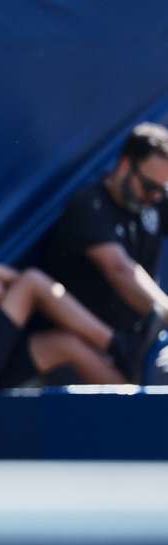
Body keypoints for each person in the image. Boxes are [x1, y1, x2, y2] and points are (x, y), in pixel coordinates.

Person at [0, 192, 131, 390]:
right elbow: (14, 287)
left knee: (66, 344)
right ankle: (117, 344)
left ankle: (136, 396)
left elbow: (3, 289)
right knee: (33, 280)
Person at [40, 122, 168, 383]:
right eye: (149, 187)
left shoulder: (156, 202)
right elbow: (121, 270)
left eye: (161, 190)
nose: (155, 197)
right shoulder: (89, 205)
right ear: (124, 165)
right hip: (92, 352)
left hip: (140, 348)